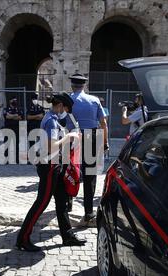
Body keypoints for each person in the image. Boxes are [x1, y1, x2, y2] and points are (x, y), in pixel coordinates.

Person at [16, 92, 86, 252]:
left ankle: (68, 236)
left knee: (62, 202)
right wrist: (69, 136)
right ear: (60, 105)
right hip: (49, 166)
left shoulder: (53, 119)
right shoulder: (52, 122)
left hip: (56, 164)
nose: (67, 112)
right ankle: (23, 238)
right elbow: (51, 146)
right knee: (42, 202)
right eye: (66, 108)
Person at [70, 74, 108, 225]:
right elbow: (103, 123)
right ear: (84, 85)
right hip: (92, 136)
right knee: (90, 175)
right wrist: (105, 142)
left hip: (71, 136)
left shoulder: (67, 99)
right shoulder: (94, 100)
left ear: (72, 85)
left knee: (69, 170)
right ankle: (88, 212)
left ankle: (68, 203)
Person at [3, 98, 24, 163]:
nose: (14, 101)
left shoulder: (19, 109)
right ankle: (6, 159)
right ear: (9, 101)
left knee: (16, 143)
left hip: (16, 128)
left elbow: (20, 117)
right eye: (13, 100)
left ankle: (16, 158)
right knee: (7, 143)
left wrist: (11, 116)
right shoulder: (6, 109)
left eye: (15, 100)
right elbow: (7, 117)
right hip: (8, 128)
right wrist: (15, 115)